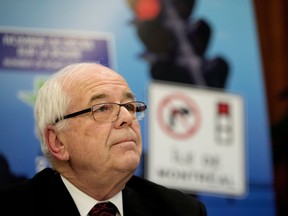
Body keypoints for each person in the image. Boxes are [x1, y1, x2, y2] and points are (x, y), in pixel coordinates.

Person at [0, 62, 207, 215]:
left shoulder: (180, 210)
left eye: (129, 106)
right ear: (58, 142)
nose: (127, 117)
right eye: (103, 108)